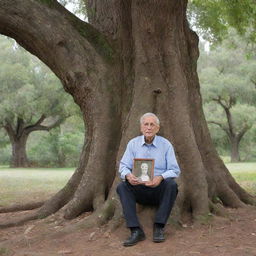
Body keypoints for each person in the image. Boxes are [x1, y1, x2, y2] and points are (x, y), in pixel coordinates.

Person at [117, 112, 180, 247]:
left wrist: (160, 177)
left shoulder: (166, 145)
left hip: (158, 189)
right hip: (138, 188)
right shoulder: (133, 144)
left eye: (152, 125)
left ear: (157, 128)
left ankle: (159, 227)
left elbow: (175, 170)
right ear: (141, 128)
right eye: (146, 124)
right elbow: (123, 167)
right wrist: (128, 175)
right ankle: (135, 230)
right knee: (122, 186)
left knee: (171, 184)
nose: (149, 127)